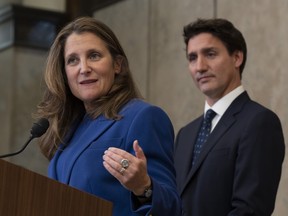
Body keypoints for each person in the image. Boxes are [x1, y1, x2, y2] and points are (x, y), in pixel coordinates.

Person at [35, 16, 181, 216]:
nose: (84, 68)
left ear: (117, 65)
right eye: (73, 60)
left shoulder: (144, 117)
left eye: (94, 55)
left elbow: (172, 209)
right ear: (64, 72)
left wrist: (144, 186)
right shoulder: (69, 130)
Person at [174, 18, 285, 216]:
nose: (200, 66)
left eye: (210, 54)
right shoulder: (185, 135)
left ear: (237, 58)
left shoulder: (259, 122)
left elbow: (250, 210)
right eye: (192, 58)